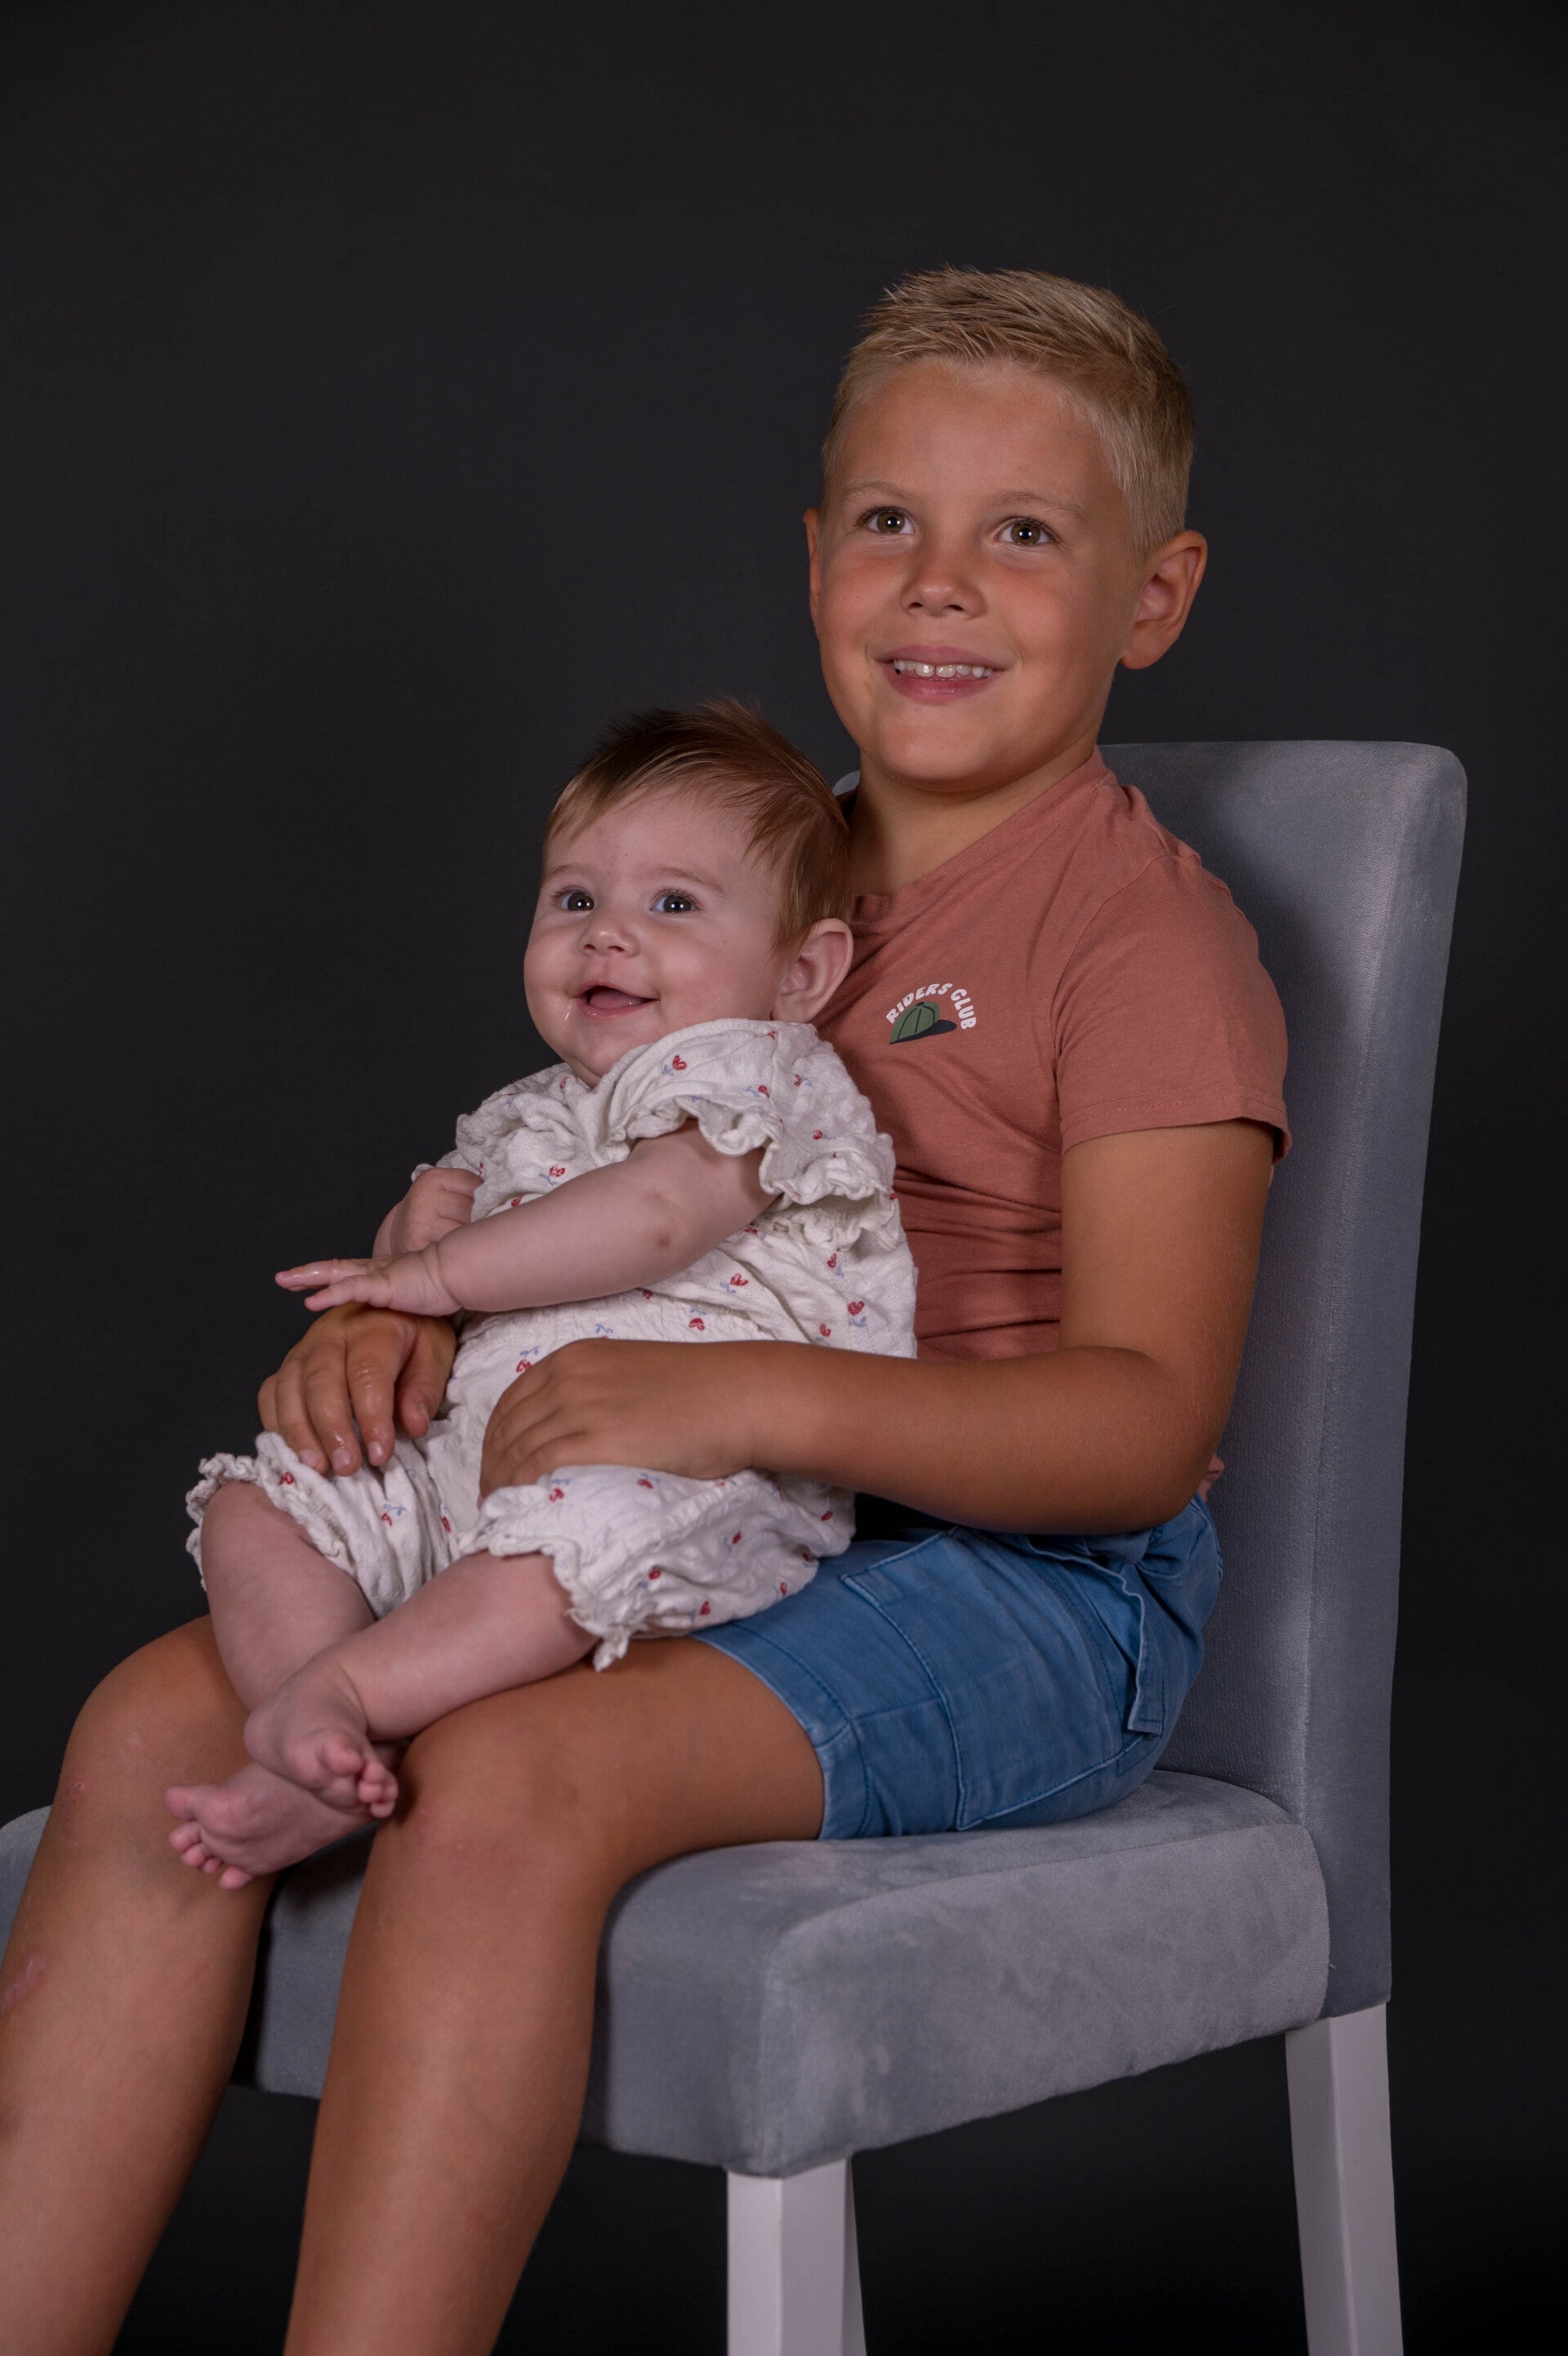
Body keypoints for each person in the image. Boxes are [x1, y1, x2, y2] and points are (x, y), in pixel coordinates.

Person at [0, 265, 1287, 2356]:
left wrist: (737, 1403)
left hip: (1032, 1583)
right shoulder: (724, 868)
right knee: (156, 1722)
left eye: (1026, 534)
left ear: (1154, 596)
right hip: (692, 1507)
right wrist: (406, 1320)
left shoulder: (1142, 943)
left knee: (508, 1779)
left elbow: (1145, 1428)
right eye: (893, 521)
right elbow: (569, 1189)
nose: (941, 584)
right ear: (816, 554)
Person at [169, 706, 916, 1888]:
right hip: (478, 1456)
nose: (608, 933)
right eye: (575, 899)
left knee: (571, 1545)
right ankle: (315, 1737)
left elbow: (655, 1215)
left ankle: (356, 1694)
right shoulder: (534, 1108)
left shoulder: (763, 1081)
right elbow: (437, 1249)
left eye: (674, 904)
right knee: (257, 1510)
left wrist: (436, 1272)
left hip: (692, 1468)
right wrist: (409, 1244)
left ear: (800, 973)